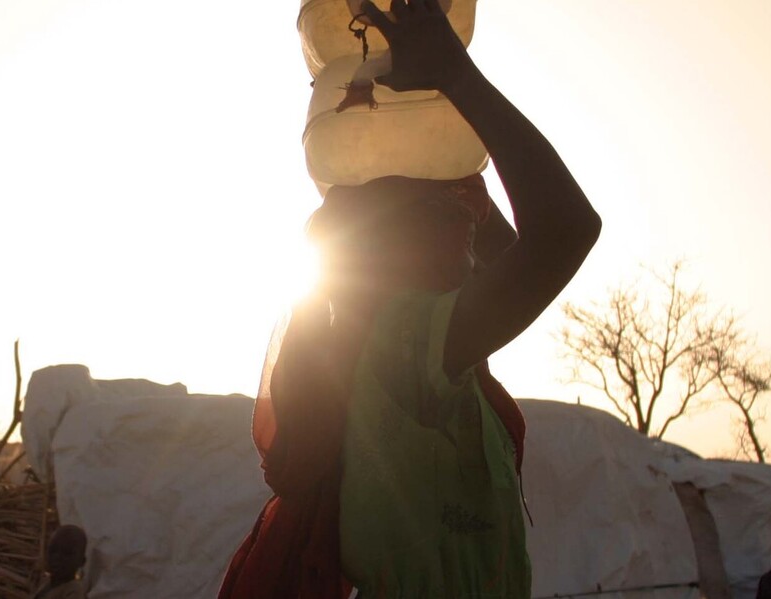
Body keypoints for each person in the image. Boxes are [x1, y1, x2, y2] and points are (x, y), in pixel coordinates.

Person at [217, 0, 601, 597]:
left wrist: (441, 138)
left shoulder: (386, 352)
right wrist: (456, 78)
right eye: (458, 224)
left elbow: (510, 247)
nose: (475, 242)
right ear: (409, 251)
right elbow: (566, 230)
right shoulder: (410, 348)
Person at [35, 525, 90, 599]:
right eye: (53, 550)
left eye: (67, 553)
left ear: (82, 561)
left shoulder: (74, 591)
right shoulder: (47, 583)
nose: (57, 557)